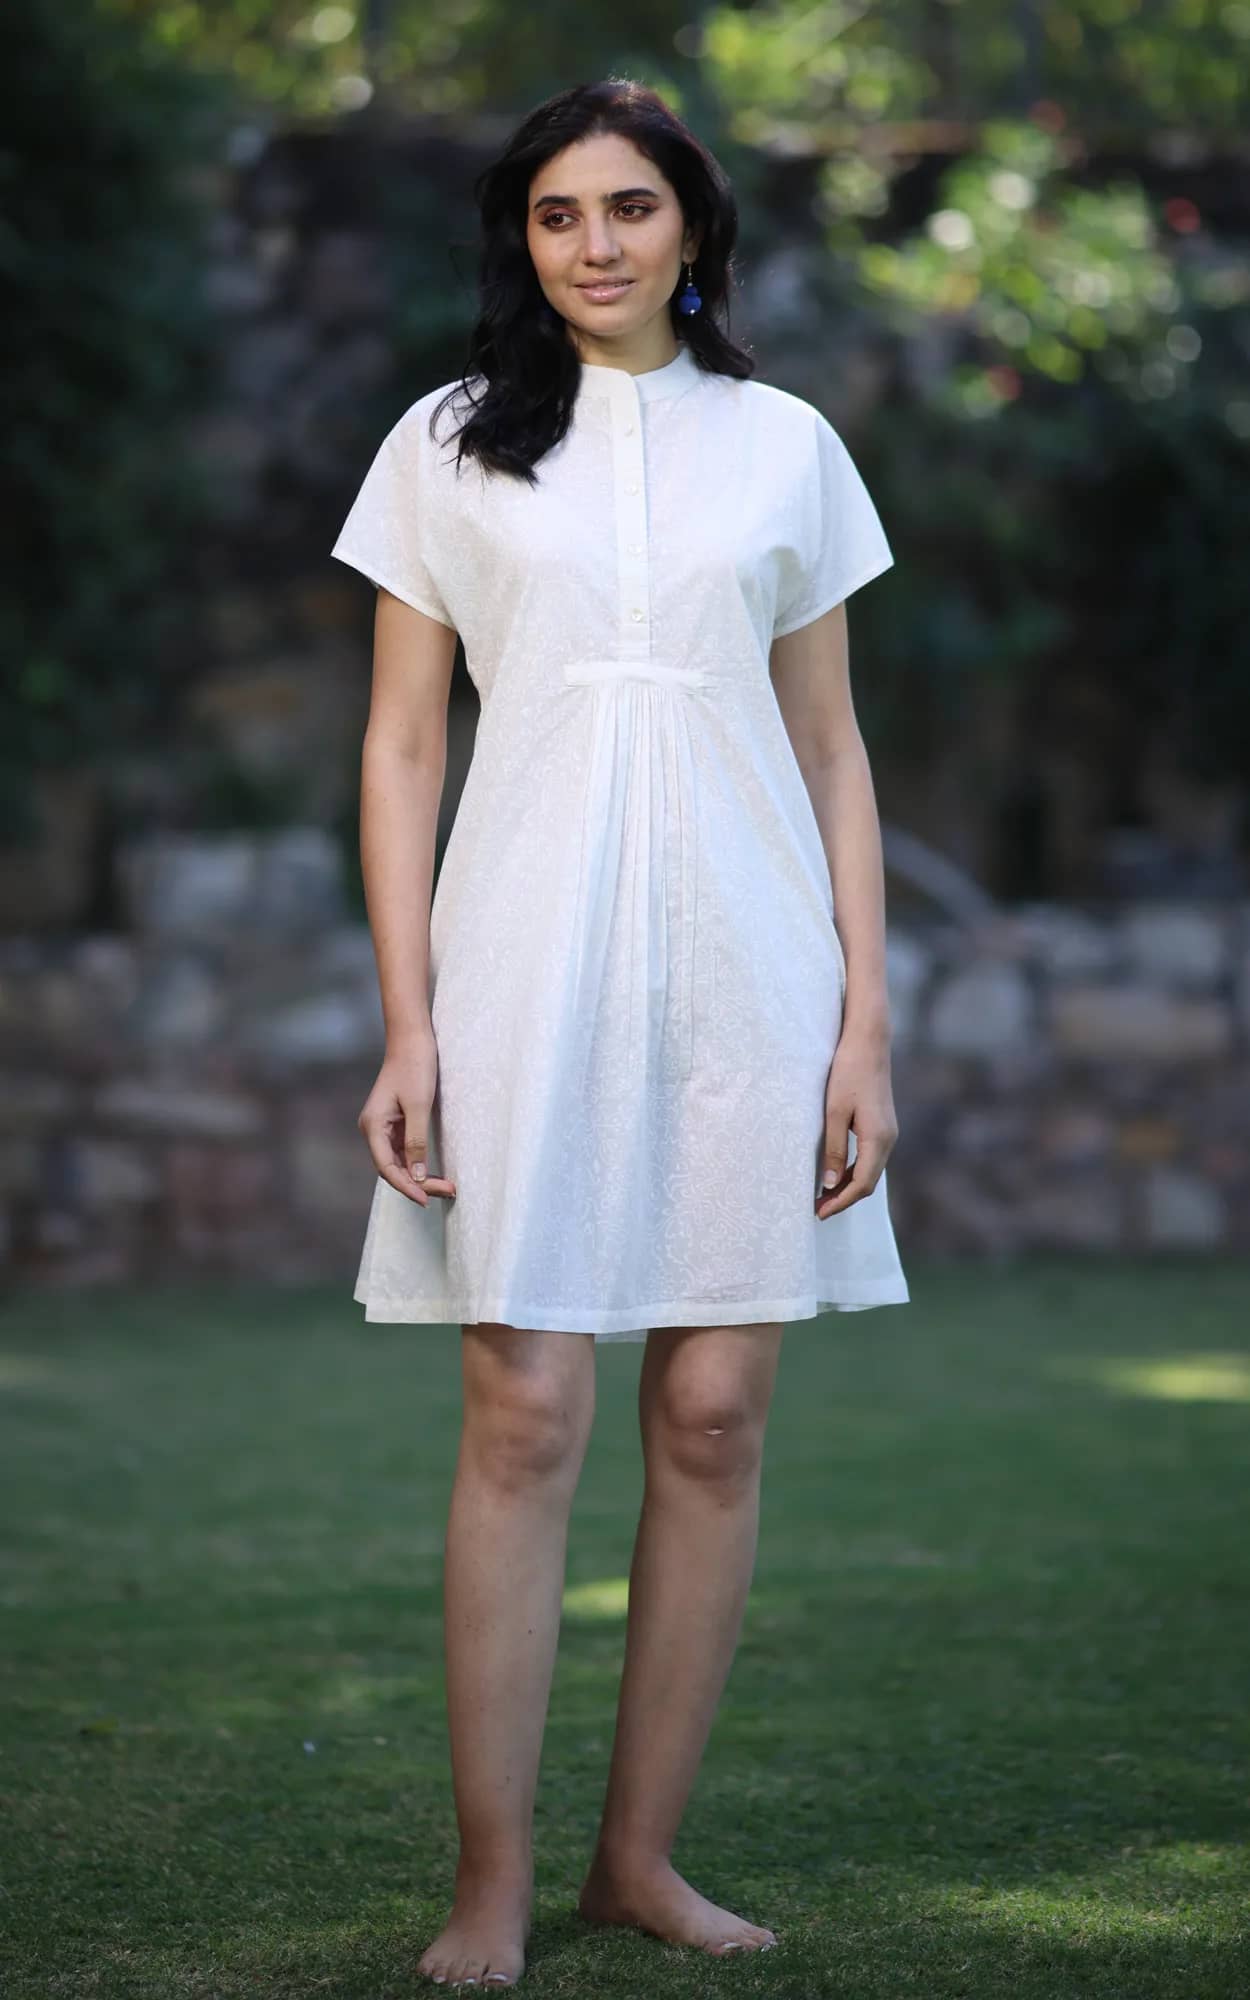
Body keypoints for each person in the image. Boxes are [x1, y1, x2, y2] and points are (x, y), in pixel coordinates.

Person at [330, 76, 909, 1993]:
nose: (595, 244)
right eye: (559, 213)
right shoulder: (444, 445)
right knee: (523, 1410)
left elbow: (831, 751)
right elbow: (400, 747)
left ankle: (634, 1862)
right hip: (521, 961)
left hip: (751, 969)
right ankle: (490, 1880)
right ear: (523, 236)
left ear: (691, 228)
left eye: (630, 208)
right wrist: (407, 1020)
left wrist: (863, 1026)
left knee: (716, 1417)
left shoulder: (786, 445)